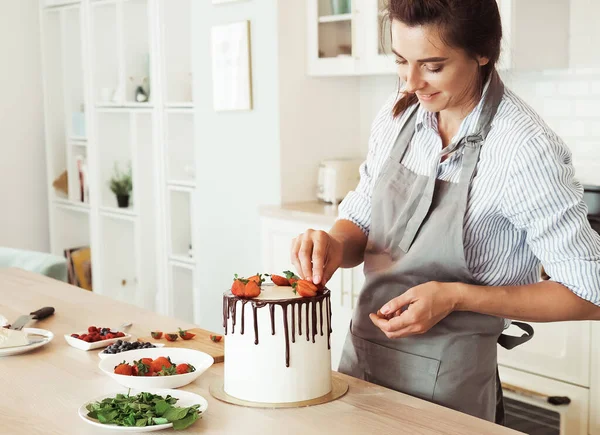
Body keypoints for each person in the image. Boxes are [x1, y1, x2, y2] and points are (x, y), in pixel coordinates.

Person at [290, 0, 600, 424]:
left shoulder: (524, 149)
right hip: (362, 364)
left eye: (433, 65)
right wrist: (332, 244)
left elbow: (589, 293)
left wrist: (455, 297)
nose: (412, 82)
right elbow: (360, 220)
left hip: (449, 388)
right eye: (401, 60)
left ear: (482, 52)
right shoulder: (399, 114)